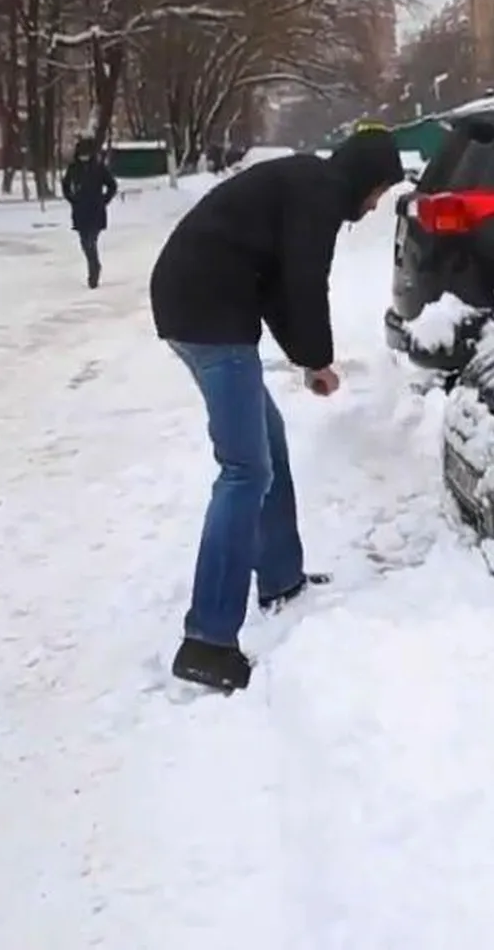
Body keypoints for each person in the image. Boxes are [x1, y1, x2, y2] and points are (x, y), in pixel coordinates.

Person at [148, 127, 404, 692]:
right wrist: (317, 357)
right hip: (206, 314)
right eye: (379, 192)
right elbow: (304, 283)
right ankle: (207, 641)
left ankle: (281, 578)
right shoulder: (318, 194)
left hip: (201, 304)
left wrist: (309, 359)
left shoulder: (310, 184)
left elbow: (278, 286)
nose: (374, 204)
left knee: (269, 443)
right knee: (245, 470)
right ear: (367, 177)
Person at [61, 138, 118, 288]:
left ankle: (93, 270)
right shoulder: (74, 168)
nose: (83, 157)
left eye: (86, 154)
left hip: (96, 210)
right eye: (81, 154)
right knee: (84, 242)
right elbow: (65, 185)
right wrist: (72, 199)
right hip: (80, 211)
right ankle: (94, 263)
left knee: (91, 240)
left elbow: (112, 185)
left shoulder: (98, 168)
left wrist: (104, 200)